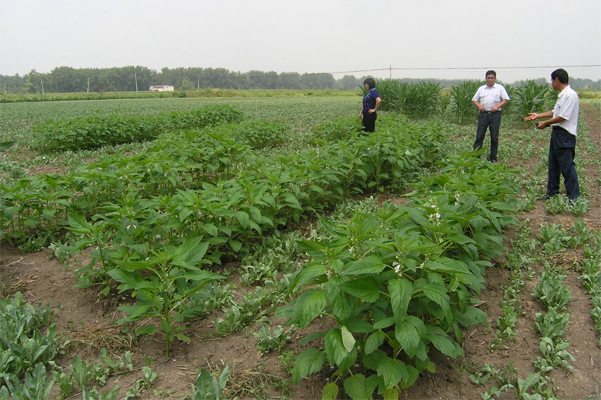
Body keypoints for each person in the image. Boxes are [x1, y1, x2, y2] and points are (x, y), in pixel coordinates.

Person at [524, 68, 580, 202]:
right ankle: (552, 192)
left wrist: (545, 123)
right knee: (553, 164)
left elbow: (563, 117)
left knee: (567, 166)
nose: (551, 83)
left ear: (557, 80)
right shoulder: (562, 95)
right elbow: (555, 112)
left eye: (552, 80)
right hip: (557, 133)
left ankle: (573, 197)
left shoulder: (570, 95)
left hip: (565, 134)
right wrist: (538, 115)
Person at [472, 70, 510, 162]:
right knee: (479, 136)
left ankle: (493, 158)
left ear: (495, 79)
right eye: (488, 78)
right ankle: (476, 157)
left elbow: (506, 99)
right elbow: (474, 99)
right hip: (483, 114)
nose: (490, 80)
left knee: (494, 137)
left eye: (492, 78)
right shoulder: (481, 89)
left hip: (495, 115)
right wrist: (480, 106)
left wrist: (497, 106)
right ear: (485, 79)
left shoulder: (499, 88)